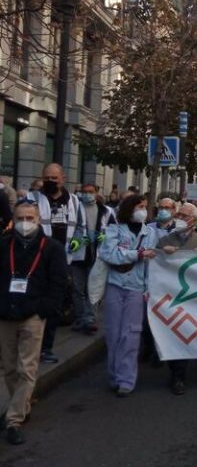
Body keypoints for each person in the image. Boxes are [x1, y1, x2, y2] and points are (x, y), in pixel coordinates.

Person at [0, 202, 67, 445]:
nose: (25, 222)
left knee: (26, 368)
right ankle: (22, 406)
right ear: (13, 219)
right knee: (8, 367)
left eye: (30, 217)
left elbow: (58, 282)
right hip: (5, 314)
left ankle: (14, 420)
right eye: (20, 217)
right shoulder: (4, 244)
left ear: (39, 220)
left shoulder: (52, 248)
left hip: (33, 315)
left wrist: (44, 310)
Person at [98, 195, 159, 397]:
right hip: (115, 285)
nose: (142, 210)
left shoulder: (150, 232)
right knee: (113, 333)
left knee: (131, 335)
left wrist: (149, 289)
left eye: (144, 206)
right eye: (138, 207)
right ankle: (114, 376)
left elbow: (154, 262)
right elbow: (109, 254)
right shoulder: (114, 230)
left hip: (136, 288)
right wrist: (138, 254)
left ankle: (127, 379)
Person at [27, 163, 86, 364]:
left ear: (63, 178)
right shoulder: (33, 198)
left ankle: (47, 348)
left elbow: (81, 227)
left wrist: (78, 241)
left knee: (54, 306)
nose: (51, 181)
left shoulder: (75, 202)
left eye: (55, 178)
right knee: (33, 305)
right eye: (47, 178)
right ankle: (30, 347)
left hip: (63, 260)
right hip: (37, 260)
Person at [158, 203, 197, 395]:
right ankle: (176, 374)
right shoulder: (165, 240)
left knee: (186, 334)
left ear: (194, 220)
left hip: (193, 296)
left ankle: (180, 372)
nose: (179, 216)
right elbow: (155, 266)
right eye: (178, 213)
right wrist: (163, 254)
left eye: (185, 215)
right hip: (169, 296)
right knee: (174, 334)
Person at [70, 183, 115, 335]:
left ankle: (90, 319)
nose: (87, 194)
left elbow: (115, 230)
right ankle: (81, 317)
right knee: (77, 289)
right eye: (84, 192)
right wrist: (76, 241)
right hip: (78, 255)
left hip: (97, 256)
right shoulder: (75, 209)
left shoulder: (106, 211)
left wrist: (106, 236)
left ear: (97, 193)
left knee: (93, 289)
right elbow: (71, 228)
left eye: (90, 192)